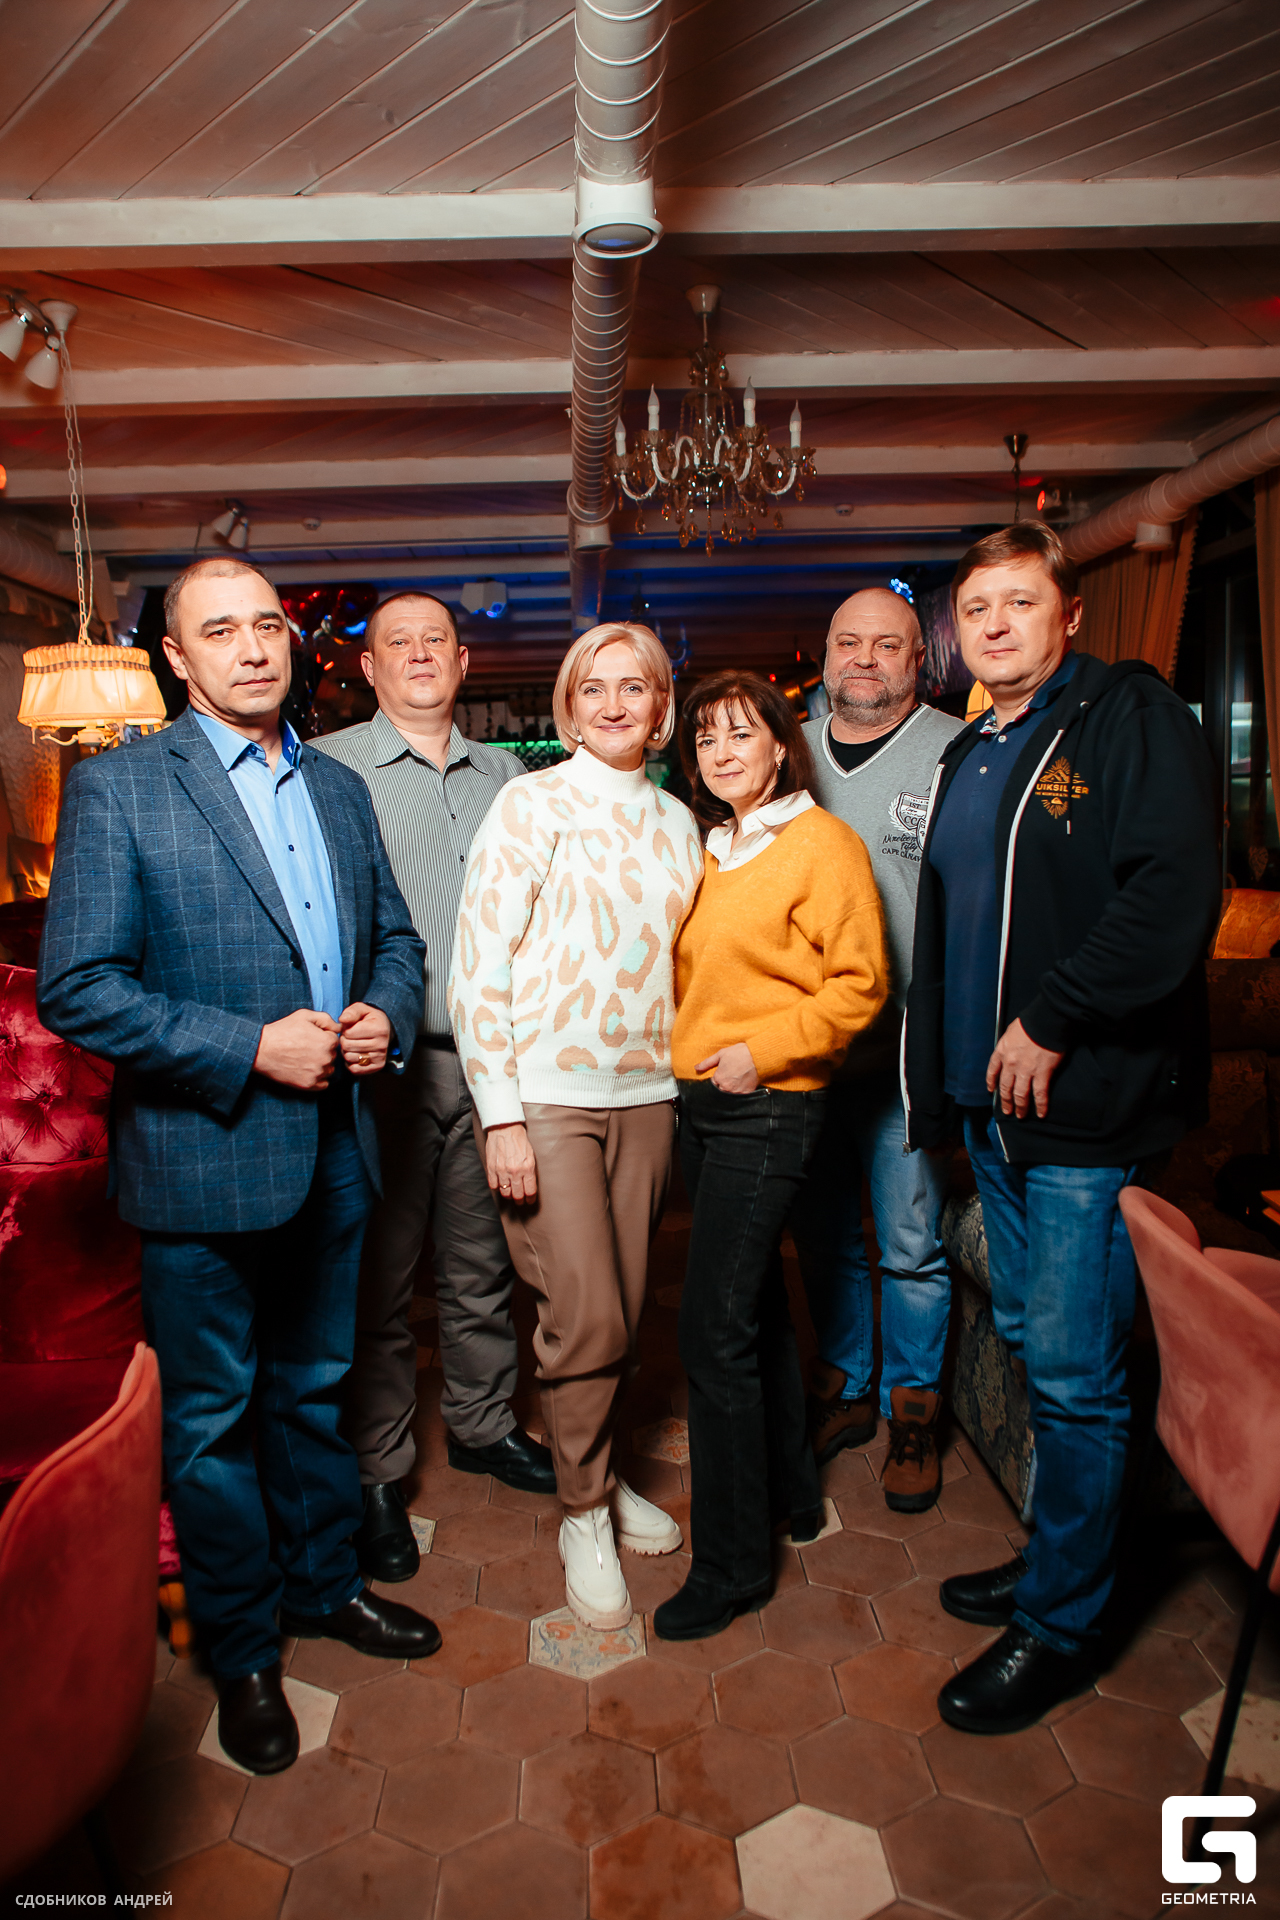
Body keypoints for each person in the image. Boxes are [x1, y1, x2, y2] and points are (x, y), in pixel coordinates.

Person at [37, 557, 440, 1777]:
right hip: (200, 1161)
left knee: (313, 1390)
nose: (255, 647)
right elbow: (78, 987)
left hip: (337, 1149)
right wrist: (246, 1048)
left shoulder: (338, 787)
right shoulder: (119, 788)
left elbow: (398, 939)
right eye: (221, 631)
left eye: (267, 624)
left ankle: (325, 1586)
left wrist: (382, 1012)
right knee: (210, 1426)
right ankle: (245, 1649)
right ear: (175, 656)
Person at [904, 521, 1220, 1734]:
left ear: (1068, 614)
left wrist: (1051, 1018)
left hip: (1085, 1110)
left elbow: (1172, 894)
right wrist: (943, 1089)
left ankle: (1062, 1624)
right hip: (993, 1114)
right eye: (974, 608)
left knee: (1080, 1378)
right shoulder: (972, 747)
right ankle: (1059, 1559)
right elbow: (949, 928)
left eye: (1018, 602)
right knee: (1041, 1351)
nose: (992, 625)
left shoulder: (1127, 716)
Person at [448, 622, 703, 1631]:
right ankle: (583, 1511)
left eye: (632, 687)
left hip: (648, 1095)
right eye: (591, 688)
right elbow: (479, 965)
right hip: (547, 1096)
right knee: (584, 1313)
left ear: (659, 707)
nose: (611, 704)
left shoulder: (679, 822)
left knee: (625, 1311)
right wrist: (501, 1117)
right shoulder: (530, 802)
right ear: (567, 705)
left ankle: (598, 1470)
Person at [315, 592, 554, 1584]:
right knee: (379, 1276)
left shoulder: (510, 777)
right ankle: (377, 1471)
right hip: (386, 1067)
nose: (418, 655)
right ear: (368, 668)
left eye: (435, 641)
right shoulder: (325, 771)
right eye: (396, 643)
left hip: (495, 1062)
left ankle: (483, 1424)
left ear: (463, 663)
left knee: (481, 1263)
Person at [654, 671, 888, 1642]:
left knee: (709, 1331)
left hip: (769, 1103)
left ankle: (732, 1565)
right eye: (705, 738)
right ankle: (792, 1492)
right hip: (703, 1103)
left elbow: (861, 983)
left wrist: (765, 1051)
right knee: (751, 1311)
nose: (720, 753)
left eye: (740, 734)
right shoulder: (709, 846)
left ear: (781, 745)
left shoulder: (821, 844)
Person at [794, 589, 964, 1511]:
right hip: (812, 1052)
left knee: (909, 1243)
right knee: (823, 1234)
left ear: (917, 660)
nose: (864, 658)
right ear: (824, 654)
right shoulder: (786, 753)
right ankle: (847, 1385)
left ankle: (912, 1414)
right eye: (848, 642)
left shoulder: (956, 752)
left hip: (908, 1053)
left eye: (886, 645)